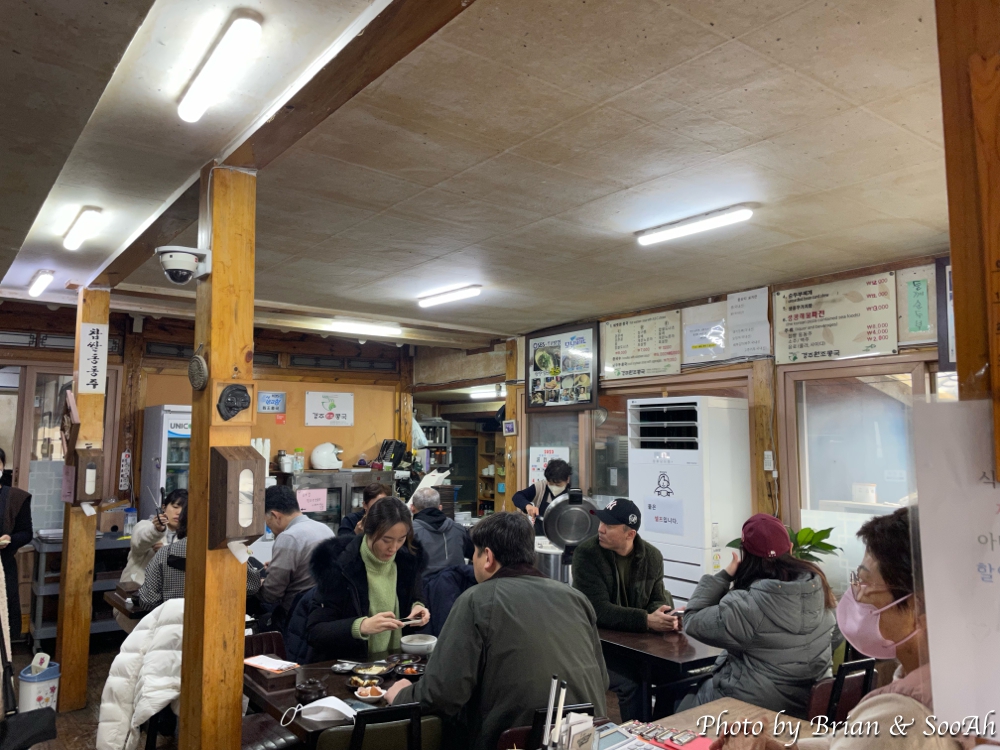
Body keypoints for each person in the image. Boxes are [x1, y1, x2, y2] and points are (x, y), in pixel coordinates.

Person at [710, 507, 963, 750]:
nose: (857, 596)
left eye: (865, 582)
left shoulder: (899, 716)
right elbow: (846, 741)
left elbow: (694, 620)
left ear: (917, 609)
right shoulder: (950, 680)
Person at [386, 512, 608, 750]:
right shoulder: (576, 598)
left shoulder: (477, 599)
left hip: (516, 742)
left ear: (488, 557)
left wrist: (401, 694)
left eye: (474, 553)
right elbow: (602, 680)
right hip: (587, 738)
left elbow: (443, 694)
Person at [679, 513, 836, 717]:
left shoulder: (747, 606)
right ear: (790, 549)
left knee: (680, 702)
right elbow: (836, 636)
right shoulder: (820, 590)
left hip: (751, 710)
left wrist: (725, 575)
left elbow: (692, 620)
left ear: (745, 556)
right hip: (808, 708)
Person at [571, 497, 678, 720]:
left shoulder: (652, 556)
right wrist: (646, 620)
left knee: (675, 677)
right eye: (601, 522)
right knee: (633, 682)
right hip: (597, 645)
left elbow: (656, 598)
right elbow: (597, 610)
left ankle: (658, 732)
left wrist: (665, 615)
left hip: (638, 645)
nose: (600, 529)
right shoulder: (587, 554)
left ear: (630, 534)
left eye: (609, 526)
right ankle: (637, 736)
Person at [307, 496, 429, 662]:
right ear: (369, 531)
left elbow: (416, 598)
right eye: (386, 540)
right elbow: (315, 632)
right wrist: (361, 626)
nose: (393, 548)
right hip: (350, 666)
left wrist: (418, 608)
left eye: (401, 540)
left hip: (395, 663)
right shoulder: (340, 566)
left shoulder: (408, 562)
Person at [134, 505, 262, 611]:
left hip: (175, 627)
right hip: (221, 624)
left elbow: (148, 601)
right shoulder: (231, 552)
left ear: (184, 521)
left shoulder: (164, 554)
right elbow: (252, 586)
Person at [257, 485, 334, 632]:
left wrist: (259, 584)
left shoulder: (288, 537)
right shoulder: (325, 529)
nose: (269, 527)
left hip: (295, 617)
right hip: (322, 612)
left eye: (267, 522)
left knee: (260, 620)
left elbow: (271, 595)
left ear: (275, 515)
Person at [115, 489, 187, 633]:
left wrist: (167, 550)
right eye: (175, 506)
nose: (179, 512)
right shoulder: (145, 525)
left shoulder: (188, 536)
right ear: (163, 507)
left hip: (169, 605)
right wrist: (157, 530)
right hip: (137, 600)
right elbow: (139, 542)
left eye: (184, 509)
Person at [0, 448, 31, 639]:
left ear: (3, 466)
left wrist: (9, 539)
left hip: (3, 565)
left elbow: (26, 533)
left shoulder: (15, 498)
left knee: (5, 621)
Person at [410, 487, 473, 575]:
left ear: (412, 508)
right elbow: (476, 555)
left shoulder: (409, 532)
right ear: (440, 507)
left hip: (423, 583)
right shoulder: (459, 530)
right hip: (456, 582)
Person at [511, 458, 572, 534]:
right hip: (540, 536)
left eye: (558, 485)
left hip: (565, 535)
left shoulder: (572, 493)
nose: (554, 487)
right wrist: (527, 506)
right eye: (550, 483)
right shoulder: (541, 486)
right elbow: (517, 496)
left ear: (567, 479)